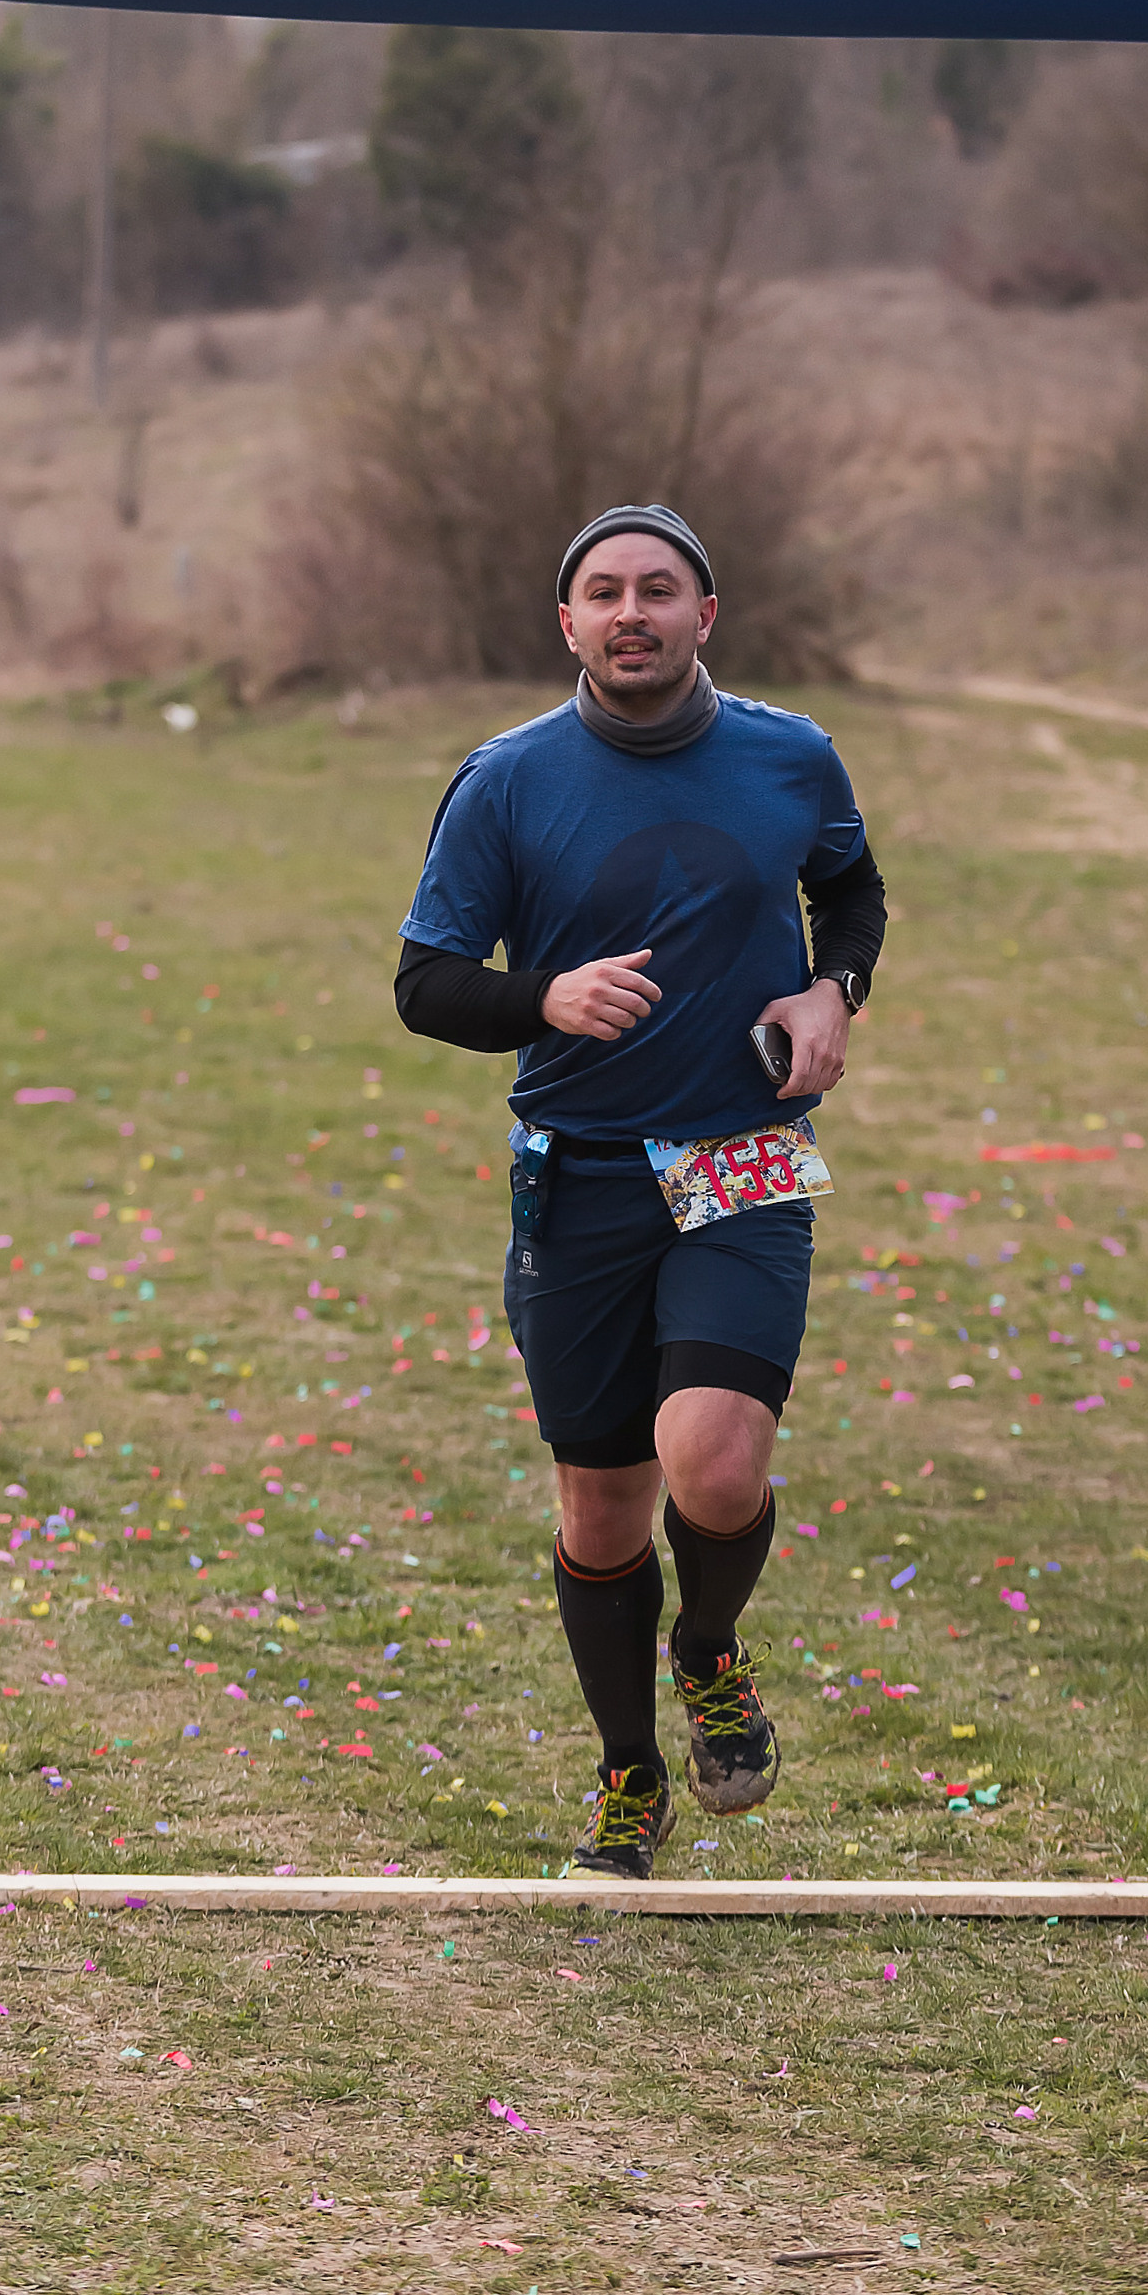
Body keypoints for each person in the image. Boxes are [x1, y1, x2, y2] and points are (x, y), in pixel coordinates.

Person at [395, 503, 886, 1878]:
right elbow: (427, 984)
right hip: (581, 1171)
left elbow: (851, 894)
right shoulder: (505, 780)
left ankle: (709, 1648)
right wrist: (541, 994)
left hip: (739, 1151)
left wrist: (831, 988)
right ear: (567, 622)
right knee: (600, 1513)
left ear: (704, 614)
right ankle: (629, 1775)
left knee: (714, 1464)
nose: (631, 612)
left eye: (658, 589)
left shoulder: (791, 756)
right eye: (603, 591)